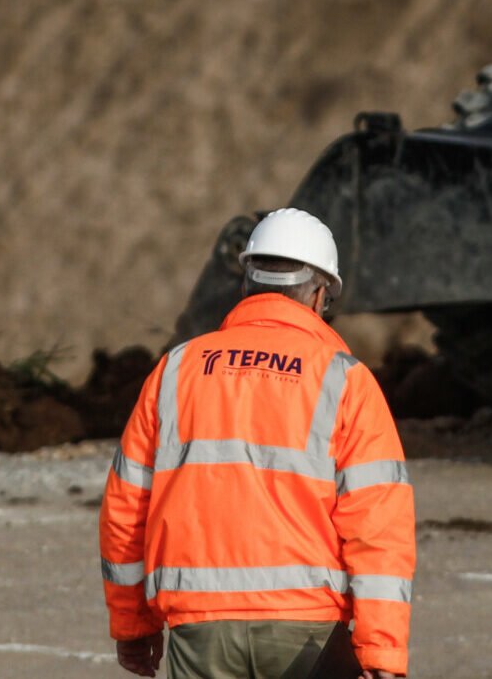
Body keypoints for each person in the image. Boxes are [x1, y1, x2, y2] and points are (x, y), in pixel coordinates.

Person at [99, 208, 414, 679]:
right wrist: (381, 651)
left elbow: (125, 512)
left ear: (247, 284)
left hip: (199, 632)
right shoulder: (344, 380)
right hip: (309, 633)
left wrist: (133, 626)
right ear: (321, 294)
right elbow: (378, 526)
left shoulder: (175, 371)